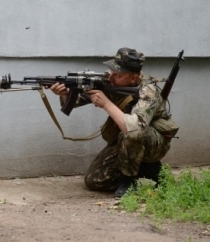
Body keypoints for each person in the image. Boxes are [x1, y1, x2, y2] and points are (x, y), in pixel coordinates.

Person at [50, 47, 178, 197]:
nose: (110, 77)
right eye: (111, 71)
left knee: (130, 133)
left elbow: (135, 129)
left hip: (153, 142)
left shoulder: (148, 91)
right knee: (94, 180)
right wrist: (65, 94)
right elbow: (77, 101)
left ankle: (129, 181)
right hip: (124, 142)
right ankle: (147, 169)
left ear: (133, 78)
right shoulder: (111, 82)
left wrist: (106, 104)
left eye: (117, 75)